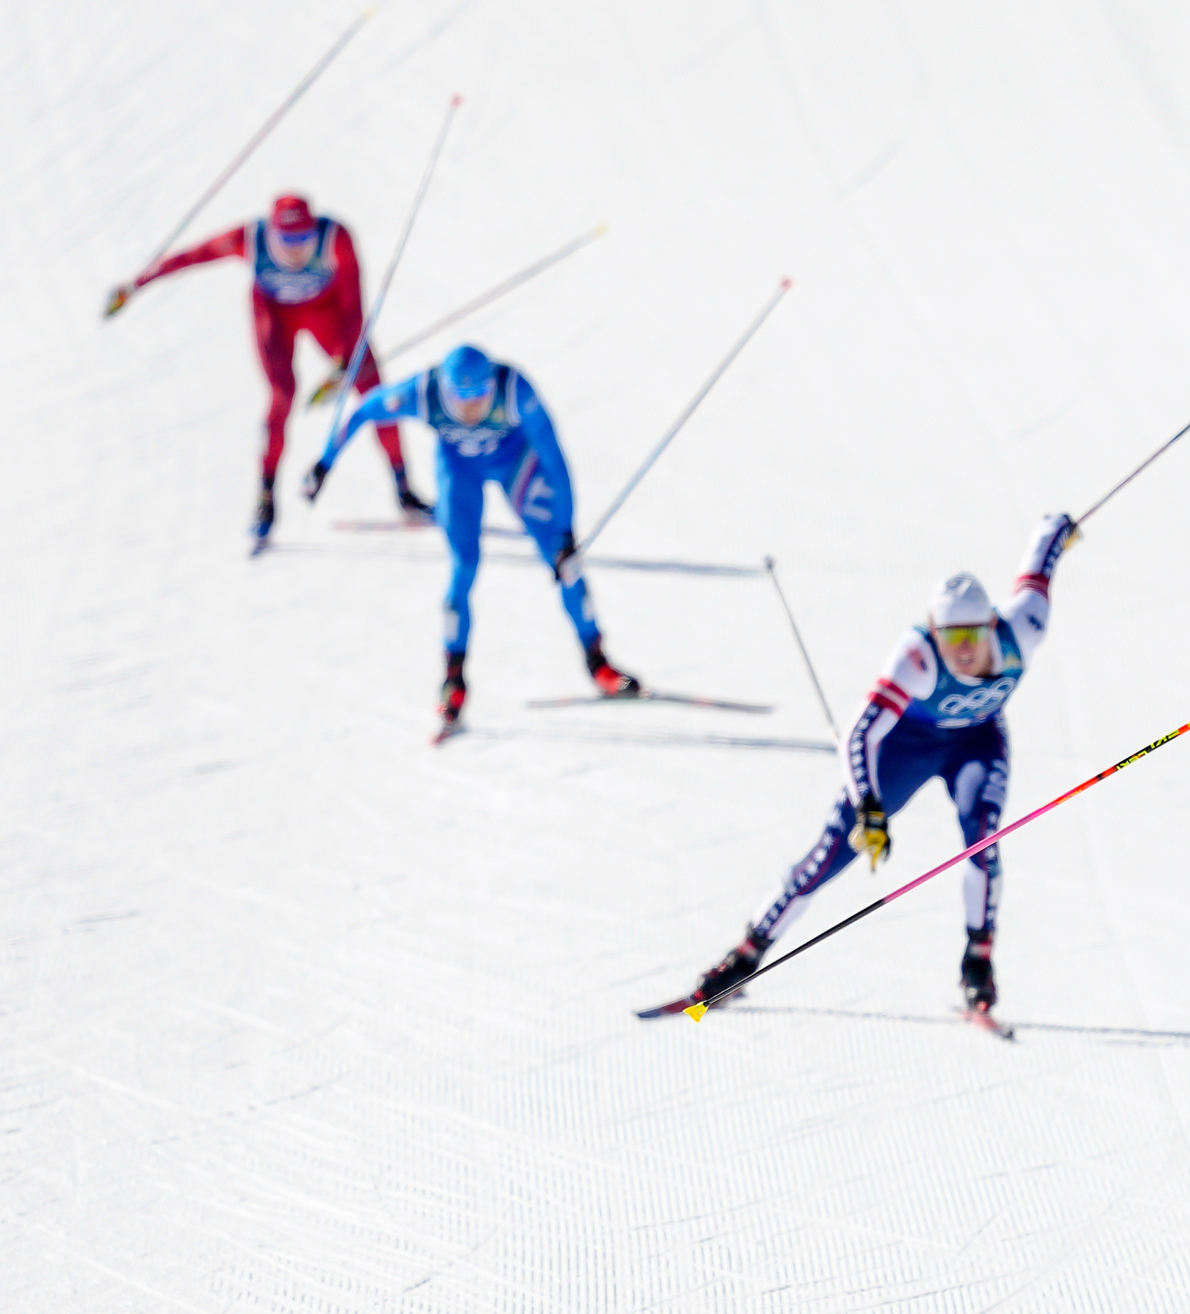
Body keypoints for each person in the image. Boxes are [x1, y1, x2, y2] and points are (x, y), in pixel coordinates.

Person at [671, 513, 1082, 1018]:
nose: (962, 649)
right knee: (833, 849)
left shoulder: (1024, 628)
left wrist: (1056, 529)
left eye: (973, 635)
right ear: (933, 630)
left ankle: (977, 960)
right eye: (950, 636)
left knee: (983, 836)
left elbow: (1039, 566)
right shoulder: (916, 657)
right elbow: (861, 734)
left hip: (977, 743)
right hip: (906, 747)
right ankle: (747, 953)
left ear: (992, 625)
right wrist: (869, 808)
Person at [302, 343, 639, 733]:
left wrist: (566, 533)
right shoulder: (424, 393)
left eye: (480, 396)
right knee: (463, 566)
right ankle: (453, 680)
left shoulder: (515, 391)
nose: (471, 408)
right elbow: (365, 409)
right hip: (459, 471)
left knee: (564, 563)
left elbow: (554, 459)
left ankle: (598, 663)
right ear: (446, 391)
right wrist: (324, 463)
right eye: (460, 399)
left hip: (515, 463)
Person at [105, 194, 426, 546]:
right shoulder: (250, 239)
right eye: (286, 239)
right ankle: (266, 496)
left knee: (373, 389)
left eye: (303, 237)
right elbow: (195, 255)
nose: (295, 248)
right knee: (282, 395)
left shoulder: (336, 238)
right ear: (272, 232)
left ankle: (404, 488)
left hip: (327, 312)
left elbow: (353, 309)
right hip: (275, 316)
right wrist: (136, 284)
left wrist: (344, 362)